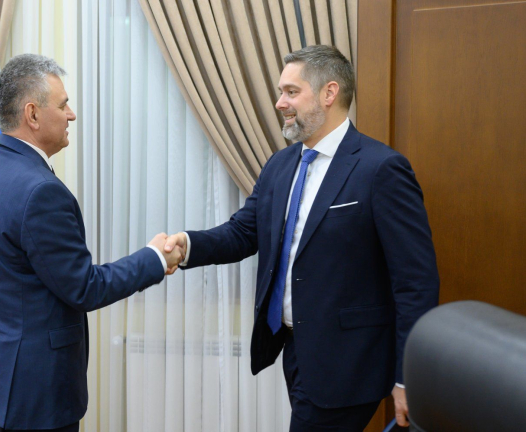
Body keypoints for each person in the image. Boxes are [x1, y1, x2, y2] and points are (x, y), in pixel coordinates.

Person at [164, 45, 439, 431]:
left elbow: (416, 282)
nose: (280, 103)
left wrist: (408, 378)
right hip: (295, 350)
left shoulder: (381, 169)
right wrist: (187, 245)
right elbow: (244, 231)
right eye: (281, 92)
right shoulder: (281, 164)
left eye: (291, 92)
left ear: (329, 93)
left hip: (348, 361)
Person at [0, 54, 183, 432]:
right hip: (36, 399)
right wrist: (155, 259)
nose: (72, 115)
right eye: (63, 105)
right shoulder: (40, 192)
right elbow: (84, 288)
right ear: (32, 114)